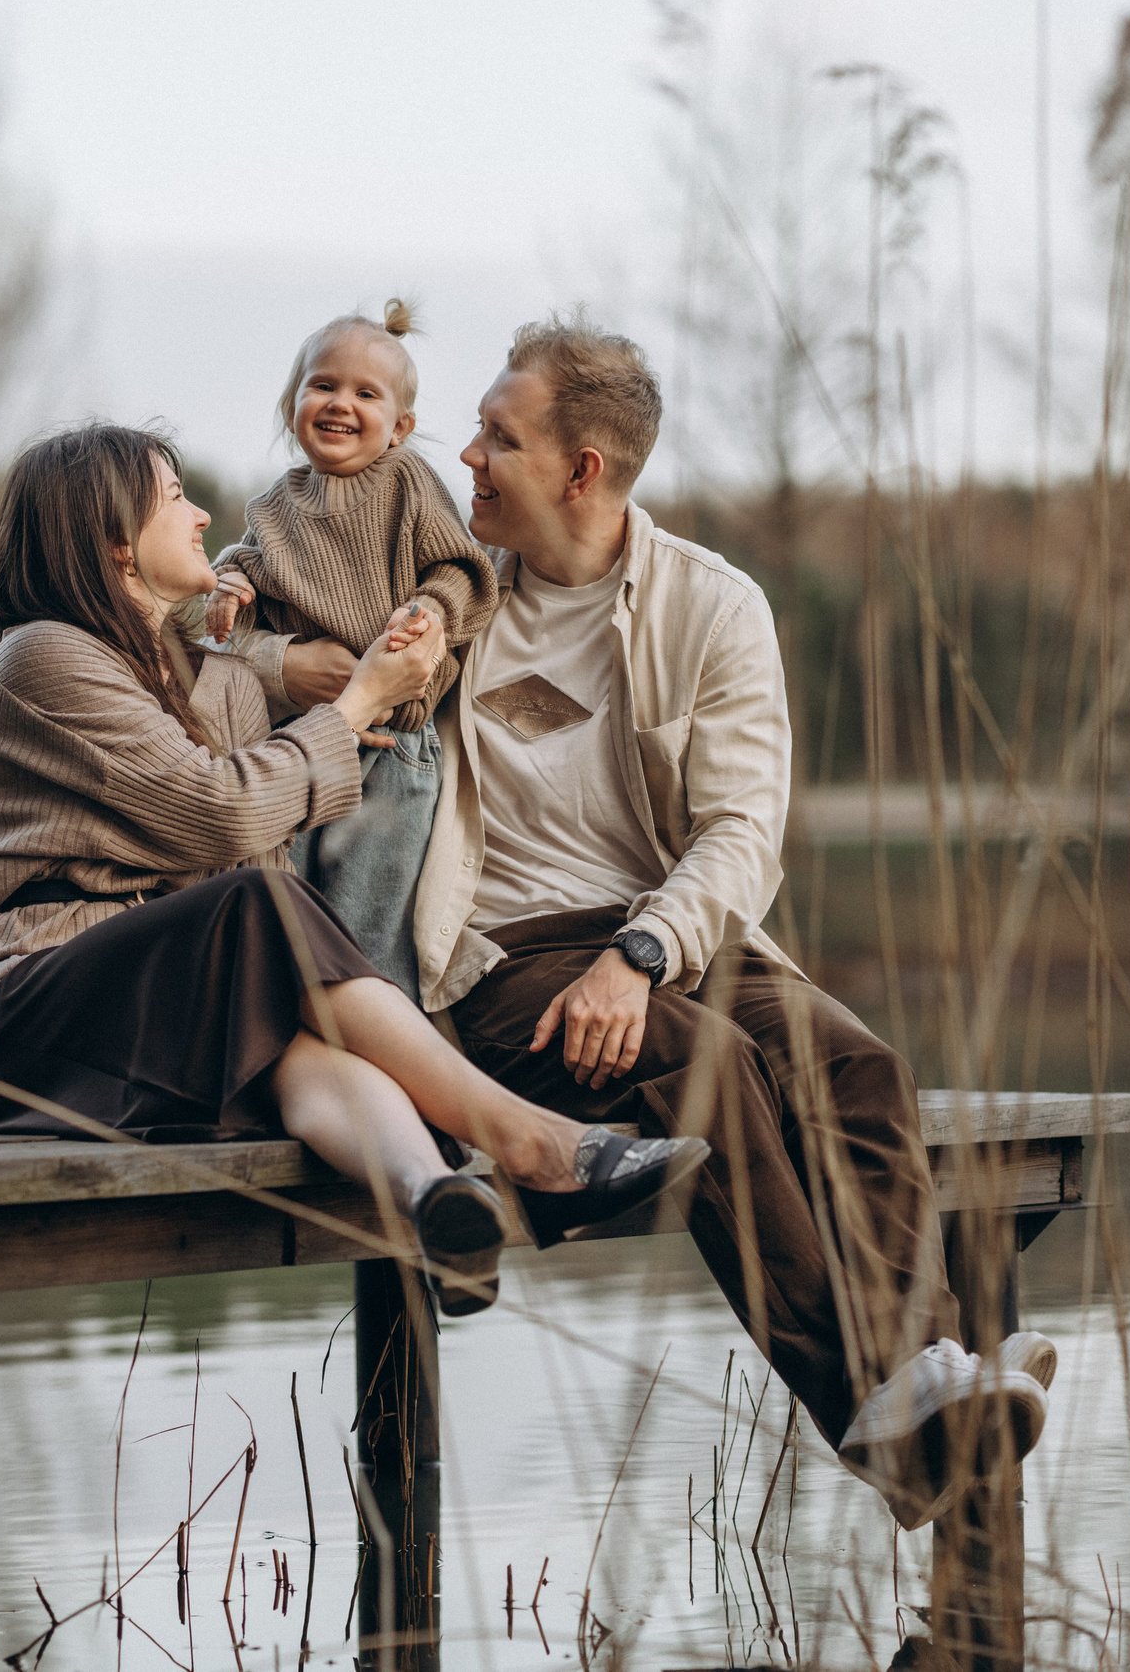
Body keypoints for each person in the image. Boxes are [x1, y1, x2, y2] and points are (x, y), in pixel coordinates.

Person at [403, 316, 1055, 1526]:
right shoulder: (445, 600)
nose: (469, 457)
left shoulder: (711, 606)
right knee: (697, 1068)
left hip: (667, 938)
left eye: (498, 437)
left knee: (854, 1063)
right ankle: (882, 1407)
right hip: (494, 960)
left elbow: (742, 833)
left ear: (580, 470)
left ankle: (918, 1379)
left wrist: (640, 954)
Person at [0, 422, 706, 1315]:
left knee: (297, 1044)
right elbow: (217, 812)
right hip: (22, 1020)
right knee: (261, 906)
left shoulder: (207, 676)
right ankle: (536, 1148)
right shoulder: (46, 656)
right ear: (114, 540)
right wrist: (359, 701)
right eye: (174, 497)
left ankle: (435, 1200)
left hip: (148, 1019)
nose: (202, 514)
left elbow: (251, 835)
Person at [202, 299, 498, 1000]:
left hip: (395, 751)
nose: (341, 403)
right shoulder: (275, 506)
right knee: (287, 910)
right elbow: (246, 563)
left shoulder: (410, 486)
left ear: (400, 428)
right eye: (323, 386)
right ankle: (287, 1039)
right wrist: (231, 586)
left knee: (367, 922)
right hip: (300, 740)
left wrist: (431, 609)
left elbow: (459, 567)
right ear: (292, 406)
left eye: (366, 394)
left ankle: (379, 1041)